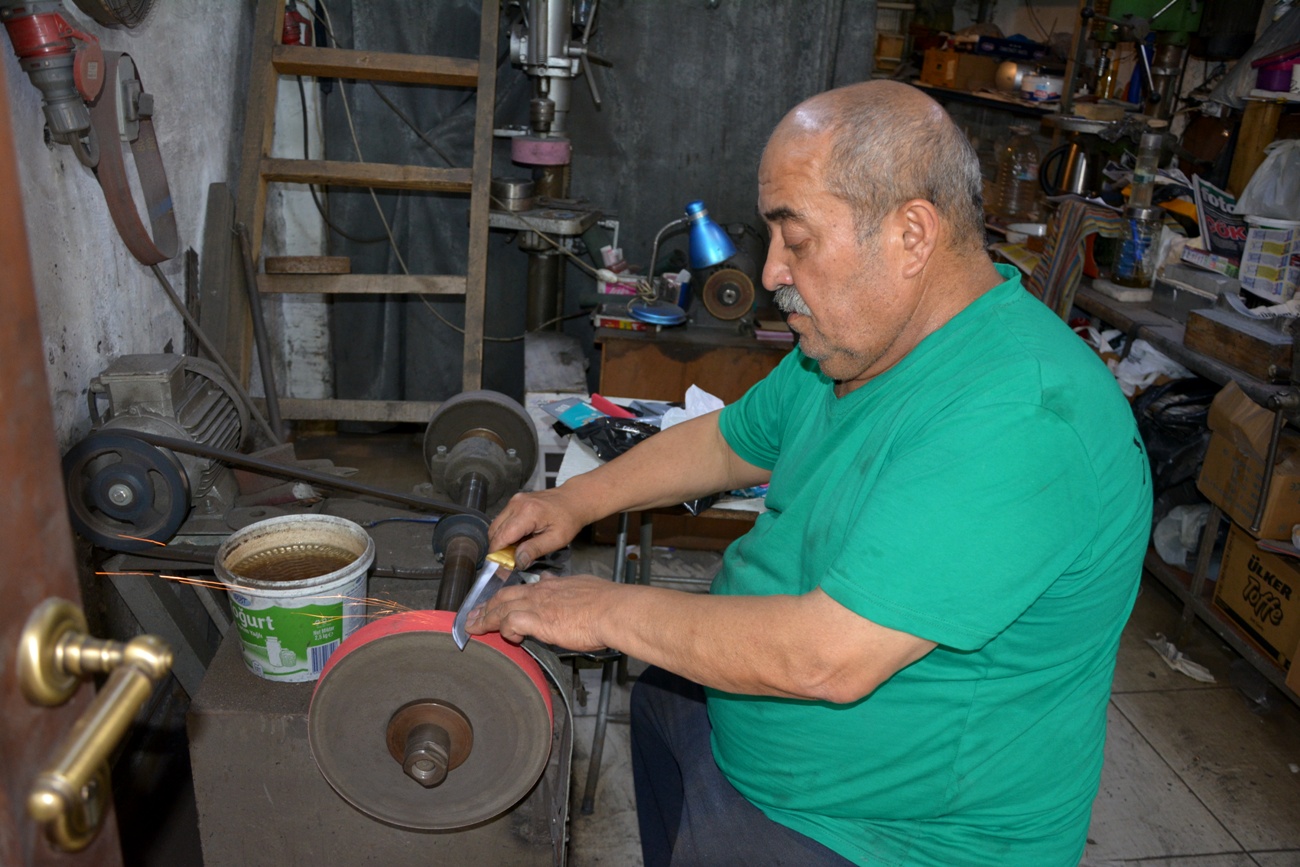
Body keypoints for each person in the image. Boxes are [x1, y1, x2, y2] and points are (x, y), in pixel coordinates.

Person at [467, 80, 1151, 866]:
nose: (768, 274)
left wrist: (600, 611)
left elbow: (826, 656)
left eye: (795, 237)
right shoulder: (854, 345)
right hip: (749, 732)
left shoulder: (1021, 419)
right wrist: (575, 501)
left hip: (882, 838)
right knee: (660, 697)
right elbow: (727, 441)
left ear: (912, 235)